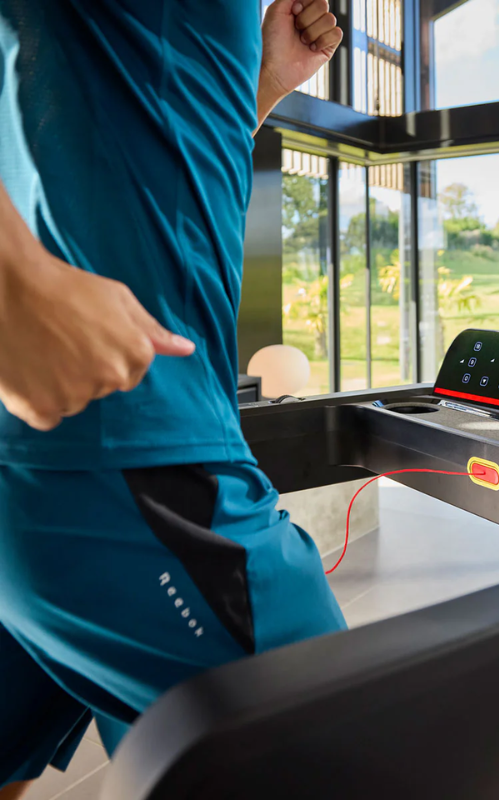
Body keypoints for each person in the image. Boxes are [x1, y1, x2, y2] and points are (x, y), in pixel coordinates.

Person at [0, 2, 345, 797]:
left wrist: (253, 90)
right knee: (354, 753)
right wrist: (11, 282)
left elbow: (115, 138)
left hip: (75, 460)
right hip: (123, 456)